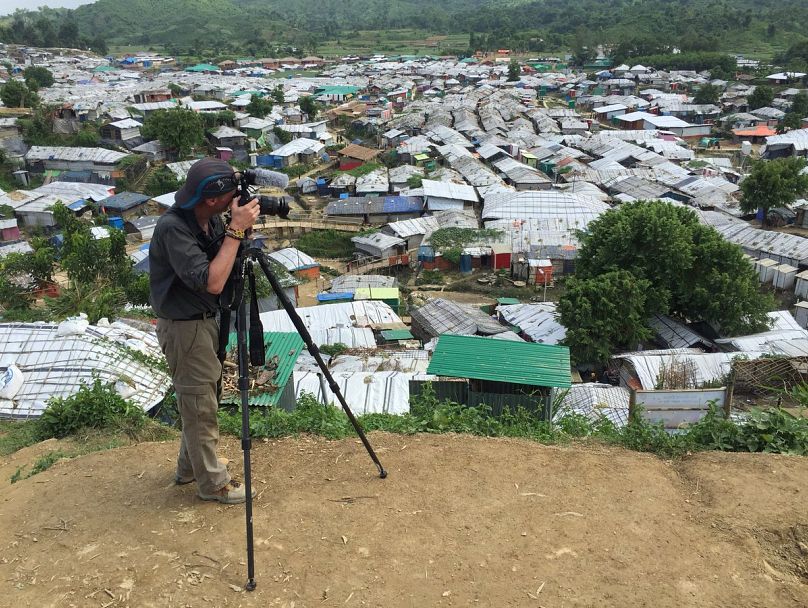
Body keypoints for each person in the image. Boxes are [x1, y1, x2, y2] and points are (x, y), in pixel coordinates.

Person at [149, 157, 260, 504]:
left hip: (202, 323)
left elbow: (223, 263)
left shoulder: (205, 220)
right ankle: (213, 484)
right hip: (185, 329)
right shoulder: (174, 228)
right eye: (230, 196)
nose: (235, 202)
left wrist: (236, 235)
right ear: (211, 199)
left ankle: (189, 468)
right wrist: (235, 231)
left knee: (199, 399)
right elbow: (212, 281)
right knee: (199, 404)